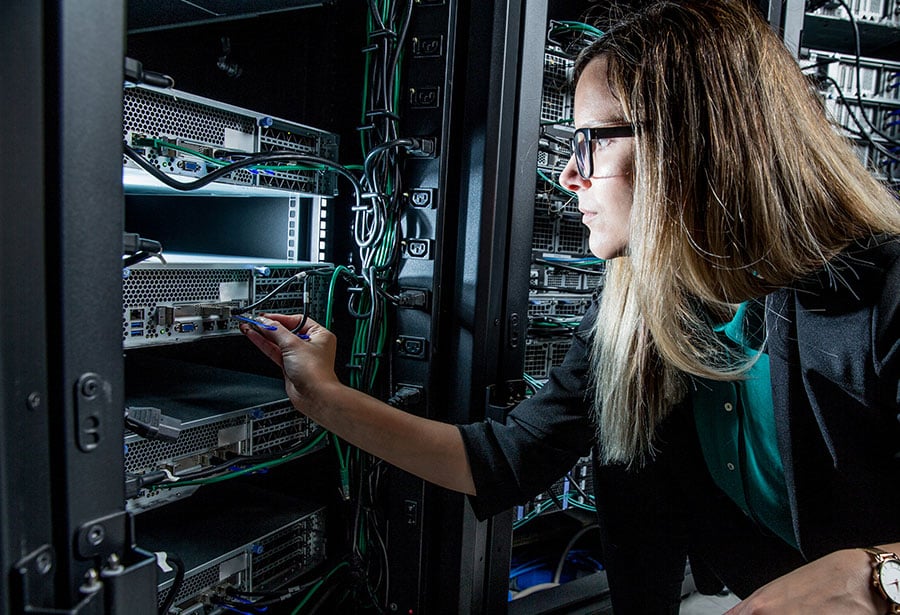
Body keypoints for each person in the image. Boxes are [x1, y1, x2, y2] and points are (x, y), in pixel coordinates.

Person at [242, 0, 900, 612]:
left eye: (591, 141)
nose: (567, 175)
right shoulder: (641, 313)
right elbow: (509, 457)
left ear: (688, 143)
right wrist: (321, 394)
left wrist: (874, 577)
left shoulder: (884, 301)